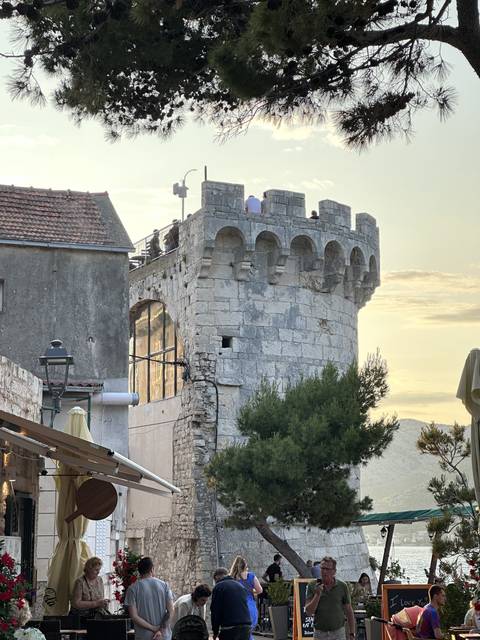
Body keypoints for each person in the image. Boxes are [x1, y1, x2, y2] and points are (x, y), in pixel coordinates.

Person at [305, 556, 356, 640]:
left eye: (327, 569)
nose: (324, 571)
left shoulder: (342, 586)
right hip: (319, 633)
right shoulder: (312, 585)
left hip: (338, 633)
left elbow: (349, 610)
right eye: (322, 568)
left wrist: (352, 633)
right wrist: (317, 595)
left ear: (334, 571)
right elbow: (309, 612)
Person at [124, 556, 174, 640]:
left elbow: (134, 616)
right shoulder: (164, 585)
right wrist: (160, 630)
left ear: (139, 571)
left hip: (143, 636)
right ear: (152, 569)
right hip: (163, 636)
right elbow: (171, 610)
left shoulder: (132, 589)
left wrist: (153, 628)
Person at [211, 567, 252, 640]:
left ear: (217, 577)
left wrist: (215, 632)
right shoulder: (240, 586)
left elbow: (215, 611)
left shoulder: (219, 587)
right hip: (246, 627)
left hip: (230, 628)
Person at [229, 556, 263, 639]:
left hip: (237, 607)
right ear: (245, 565)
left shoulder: (231, 578)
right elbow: (260, 590)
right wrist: (252, 591)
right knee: (248, 632)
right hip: (250, 605)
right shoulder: (251, 576)